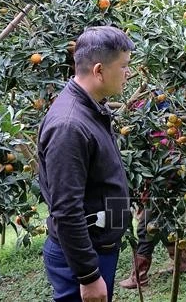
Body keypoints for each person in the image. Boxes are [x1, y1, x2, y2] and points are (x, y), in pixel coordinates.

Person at [38, 25, 134, 302]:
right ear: (99, 70)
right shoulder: (69, 125)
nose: (128, 73)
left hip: (99, 246)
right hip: (83, 257)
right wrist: (88, 275)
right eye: (124, 66)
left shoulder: (90, 108)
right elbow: (66, 209)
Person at [118, 97, 186, 290]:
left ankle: (139, 277)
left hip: (161, 187)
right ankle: (181, 265)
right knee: (165, 224)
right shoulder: (165, 131)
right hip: (165, 186)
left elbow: (159, 166)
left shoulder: (160, 136)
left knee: (145, 228)